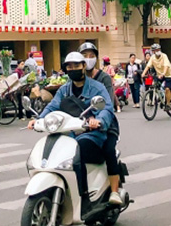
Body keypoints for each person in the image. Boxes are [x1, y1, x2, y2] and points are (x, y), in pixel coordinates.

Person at [28, 51, 121, 214]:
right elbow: (52, 106)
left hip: (92, 132)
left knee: (79, 151)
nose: (73, 69)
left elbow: (107, 108)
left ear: (84, 66)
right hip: (70, 132)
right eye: (69, 67)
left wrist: (98, 120)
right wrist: (38, 119)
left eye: (76, 65)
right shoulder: (64, 90)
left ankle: (86, 197)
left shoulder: (97, 87)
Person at [78, 42, 122, 204]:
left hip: (105, 124)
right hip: (80, 125)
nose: (88, 59)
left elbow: (107, 104)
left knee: (108, 149)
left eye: (91, 56)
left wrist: (97, 119)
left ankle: (115, 192)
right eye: (84, 56)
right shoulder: (75, 80)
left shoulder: (103, 78)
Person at [141, 44, 171, 109]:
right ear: (153, 51)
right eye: (156, 50)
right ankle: (161, 98)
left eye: (158, 50)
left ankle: (168, 103)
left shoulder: (164, 56)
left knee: (167, 89)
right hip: (159, 75)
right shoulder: (152, 58)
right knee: (154, 86)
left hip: (168, 74)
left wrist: (163, 73)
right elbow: (148, 66)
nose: (157, 51)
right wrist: (143, 74)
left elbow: (166, 66)